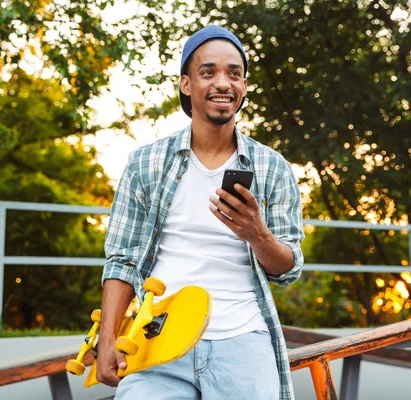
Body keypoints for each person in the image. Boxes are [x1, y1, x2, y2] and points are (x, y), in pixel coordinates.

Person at [96, 25, 304, 400]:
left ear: (243, 86)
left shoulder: (273, 168)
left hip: (243, 342)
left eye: (234, 74)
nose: (223, 83)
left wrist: (257, 233)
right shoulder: (145, 164)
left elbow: (289, 268)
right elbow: (122, 261)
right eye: (208, 72)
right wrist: (107, 338)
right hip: (157, 339)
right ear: (186, 84)